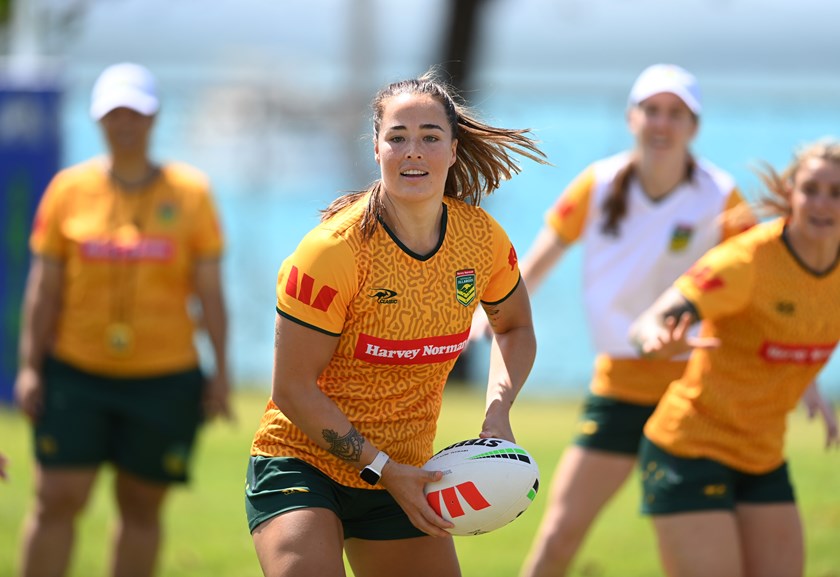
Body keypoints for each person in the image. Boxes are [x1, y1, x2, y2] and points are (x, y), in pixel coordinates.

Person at [245, 70, 547, 577]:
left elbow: (513, 327)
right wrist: (380, 468)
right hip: (303, 461)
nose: (413, 152)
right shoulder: (333, 251)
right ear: (377, 148)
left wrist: (498, 412)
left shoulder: (481, 239)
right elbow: (293, 388)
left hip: (409, 473)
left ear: (453, 150)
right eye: (398, 138)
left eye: (430, 137)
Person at [468, 63, 755, 577]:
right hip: (619, 384)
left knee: (697, 550)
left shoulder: (721, 194)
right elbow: (540, 257)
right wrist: (492, 315)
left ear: (694, 126)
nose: (662, 124)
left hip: (694, 390)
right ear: (632, 118)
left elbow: (754, 283)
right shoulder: (597, 184)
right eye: (652, 110)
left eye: (676, 113)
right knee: (558, 533)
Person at [14, 62, 231, 577]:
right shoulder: (67, 189)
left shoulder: (191, 193)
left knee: (141, 506)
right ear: (97, 120)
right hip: (76, 369)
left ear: (153, 118)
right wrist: (29, 366)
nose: (125, 124)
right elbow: (43, 289)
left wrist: (220, 372)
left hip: (163, 376)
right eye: (114, 114)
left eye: (135, 113)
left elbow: (210, 293)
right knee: (56, 498)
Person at [629, 137, 840, 577]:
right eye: (811, 189)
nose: (822, 204)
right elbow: (654, 318)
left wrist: (809, 385)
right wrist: (656, 338)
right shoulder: (748, 260)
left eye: (836, 193)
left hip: (762, 456)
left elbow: (802, 326)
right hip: (688, 448)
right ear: (789, 193)